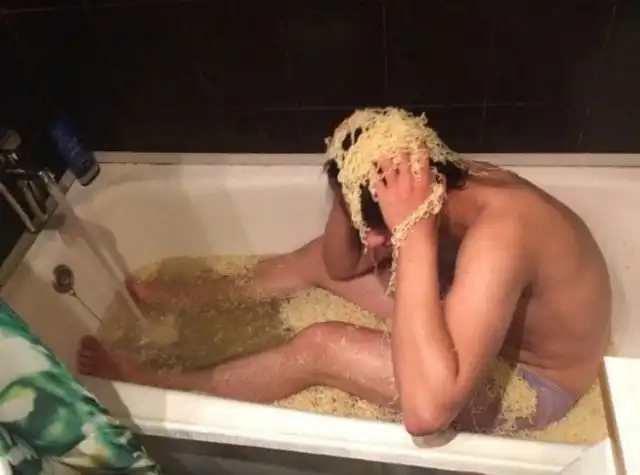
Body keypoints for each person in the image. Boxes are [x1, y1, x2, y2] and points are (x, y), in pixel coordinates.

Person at [77, 152, 611, 436]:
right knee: (316, 259)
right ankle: (192, 297)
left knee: (322, 346)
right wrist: (346, 179)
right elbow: (337, 263)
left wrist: (411, 235)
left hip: (533, 380)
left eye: (377, 231)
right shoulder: (442, 175)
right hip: (483, 320)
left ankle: (166, 385)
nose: (370, 245)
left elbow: (428, 412)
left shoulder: (502, 235)